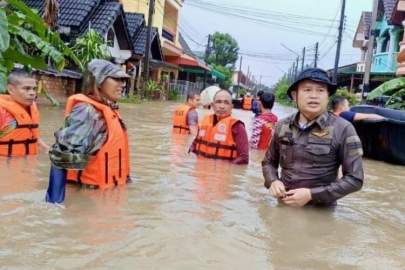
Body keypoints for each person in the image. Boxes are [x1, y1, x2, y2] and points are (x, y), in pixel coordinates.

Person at [262, 68, 364, 207]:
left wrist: (311, 194)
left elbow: (355, 179)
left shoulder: (344, 129)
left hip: (320, 213)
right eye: (307, 90)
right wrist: (273, 181)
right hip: (283, 207)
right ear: (294, 95)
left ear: (328, 95)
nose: (314, 96)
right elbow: (268, 162)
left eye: (321, 90)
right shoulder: (282, 126)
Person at [45, 59, 132, 204]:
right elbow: (61, 158)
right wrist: (54, 205)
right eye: (116, 79)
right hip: (87, 200)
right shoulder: (87, 112)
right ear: (98, 81)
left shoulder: (106, 110)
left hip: (106, 197)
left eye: (122, 80)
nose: (122, 84)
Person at [190, 89, 249, 165]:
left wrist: (223, 168)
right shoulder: (205, 123)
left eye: (226, 103)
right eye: (218, 102)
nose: (222, 106)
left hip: (222, 174)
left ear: (231, 107)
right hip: (200, 172)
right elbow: (194, 144)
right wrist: (191, 154)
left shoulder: (237, 127)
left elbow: (244, 158)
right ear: (212, 105)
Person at [0, 70, 49, 156]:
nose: (32, 93)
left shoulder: (32, 110)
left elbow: (33, 135)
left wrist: (46, 148)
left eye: (34, 89)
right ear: (11, 89)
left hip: (29, 164)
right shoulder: (2, 112)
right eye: (26, 88)